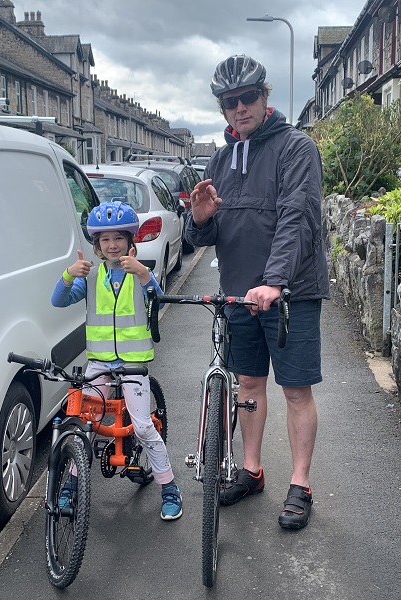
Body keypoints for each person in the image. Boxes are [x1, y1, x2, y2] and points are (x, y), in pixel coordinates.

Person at [185, 55, 329, 530]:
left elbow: (297, 216)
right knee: (248, 385)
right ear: (222, 109)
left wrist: (275, 281)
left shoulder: (296, 147)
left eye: (248, 97)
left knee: (294, 390)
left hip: (291, 293)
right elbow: (203, 239)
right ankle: (251, 470)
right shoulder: (221, 159)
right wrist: (200, 219)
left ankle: (301, 483)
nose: (240, 107)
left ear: (265, 98)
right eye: (230, 101)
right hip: (237, 296)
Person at [51, 200, 183, 521]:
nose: (112, 245)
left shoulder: (139, 273)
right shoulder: (92, 276)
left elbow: (158, 300)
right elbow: (58, 300)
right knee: (84, 424)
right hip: (100, 363)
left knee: (141, 427)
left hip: (134, 364)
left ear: (129, 241)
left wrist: (145, 275)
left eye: (119, 239)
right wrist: (69, 275)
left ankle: (169, 487)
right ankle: (70, 484)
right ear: (97, 245)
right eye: (105, 240)